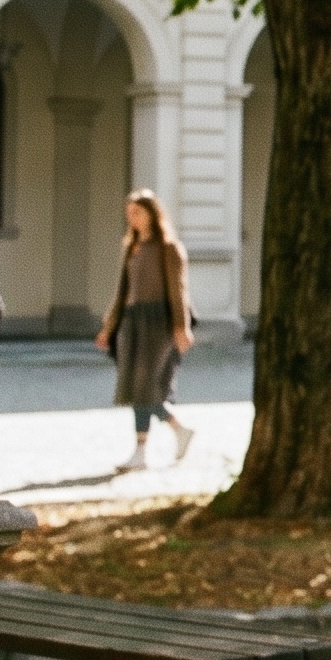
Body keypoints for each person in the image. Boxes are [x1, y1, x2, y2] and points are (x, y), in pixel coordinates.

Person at [97, 188, 196, 474]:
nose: (132, 218)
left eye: (137, 212)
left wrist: (181, 327)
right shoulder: (132, 247)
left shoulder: (168, 248)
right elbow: (122, 292)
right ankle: (173, 433)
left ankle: (147, 448)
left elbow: (178, 292)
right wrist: (109, 327)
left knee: (146, 385)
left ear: (152, 214)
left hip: (158, 322)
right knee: (135, 386)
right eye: (129, 213)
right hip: (132, 322)